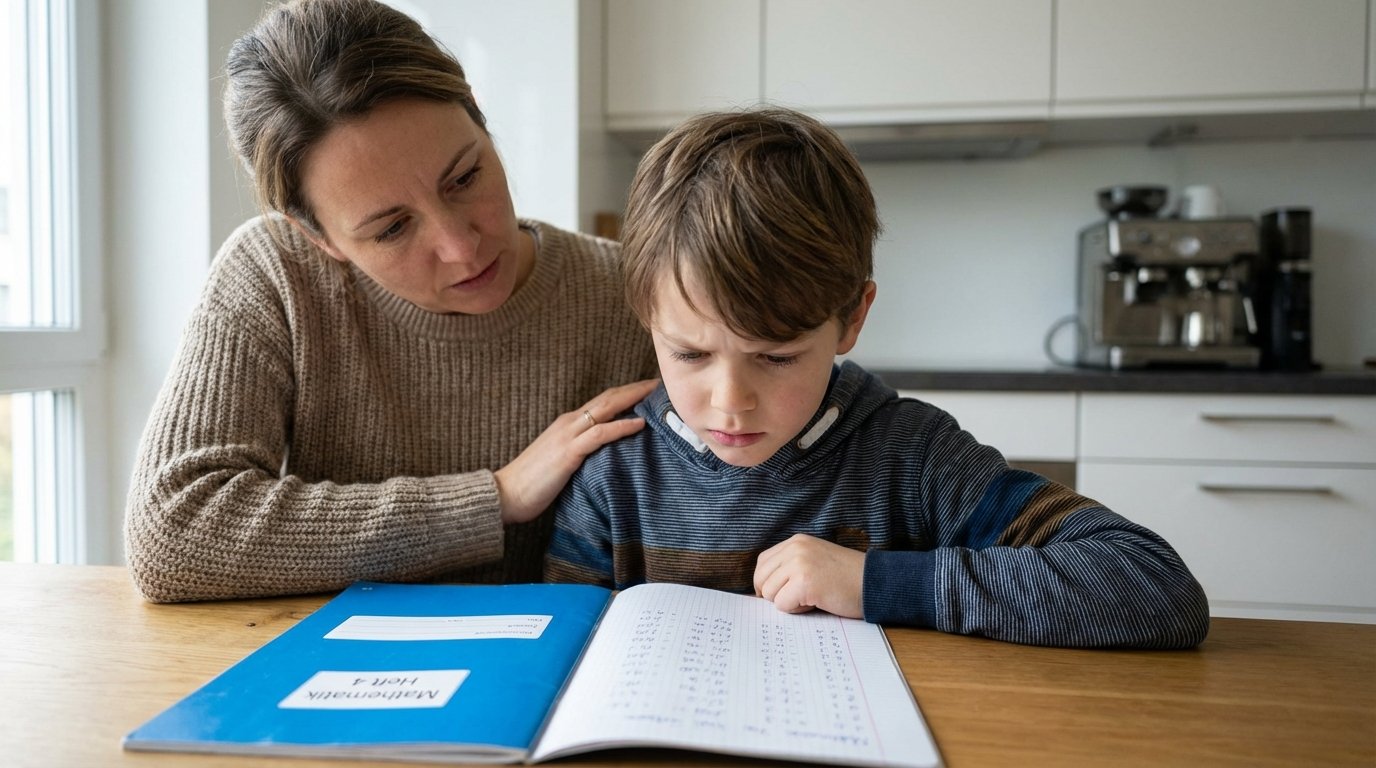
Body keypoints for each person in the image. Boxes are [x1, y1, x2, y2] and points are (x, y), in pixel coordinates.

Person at [545, 107, 1211, 648]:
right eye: (689, 354)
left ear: (852, 318)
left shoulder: (913, 458)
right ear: (645, 316)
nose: (730, 403)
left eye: (776, 357)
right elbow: (559, 655)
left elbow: (1154, 587)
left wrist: (876, 584)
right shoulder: (614, 477)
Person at [123, 0, 657, 603]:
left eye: (463, 178)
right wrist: (496, 497)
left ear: (479, 117)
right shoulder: (277, 273)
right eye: (391, 229)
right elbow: (173, 533)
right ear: (319, 238)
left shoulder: (629, 292)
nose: (460, 247)